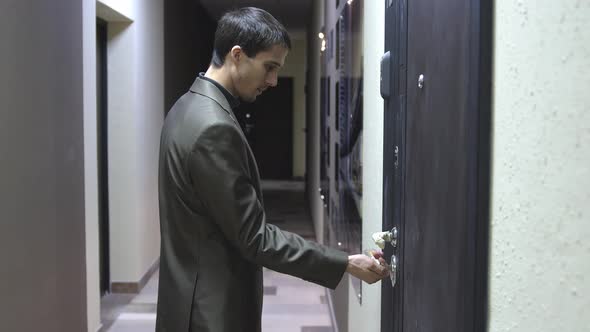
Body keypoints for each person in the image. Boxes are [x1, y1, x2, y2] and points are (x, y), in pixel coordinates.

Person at [156, 7, 388, 332]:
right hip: (211, 312)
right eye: (269, 67)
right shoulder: (213, 127)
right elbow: (255, 237)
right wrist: (344, 263)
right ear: (237, 55)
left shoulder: (186, 106)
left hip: (186, 300)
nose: (273, 81)